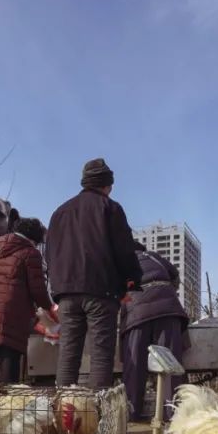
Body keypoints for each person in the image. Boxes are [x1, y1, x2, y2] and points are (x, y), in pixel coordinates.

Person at [45, 158, 142, 389]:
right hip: (101, 290)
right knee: (101, 353)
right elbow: (124, 250)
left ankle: (63, 411)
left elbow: (49, 254)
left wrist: (58, 287)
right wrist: (132, 280)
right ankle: (98, 417)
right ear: (106, 185)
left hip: (66, 292)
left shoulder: (59, 212)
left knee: (68, 351)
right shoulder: (110, 208)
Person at [0, 217, 54, 383]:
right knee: (8, 381)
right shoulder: (30, 253)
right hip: (8, 321)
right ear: (34, 238)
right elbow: (38, 290)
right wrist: (51, 309)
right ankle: (4, 408)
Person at [120, 242, 189, 421]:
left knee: (134, 362)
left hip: (137, 311)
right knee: (170, 361)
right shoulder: (154, 256)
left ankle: (131, 412)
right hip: (168, 307)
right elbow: (175, 276)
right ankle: (172, 413)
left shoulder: (121, 259)